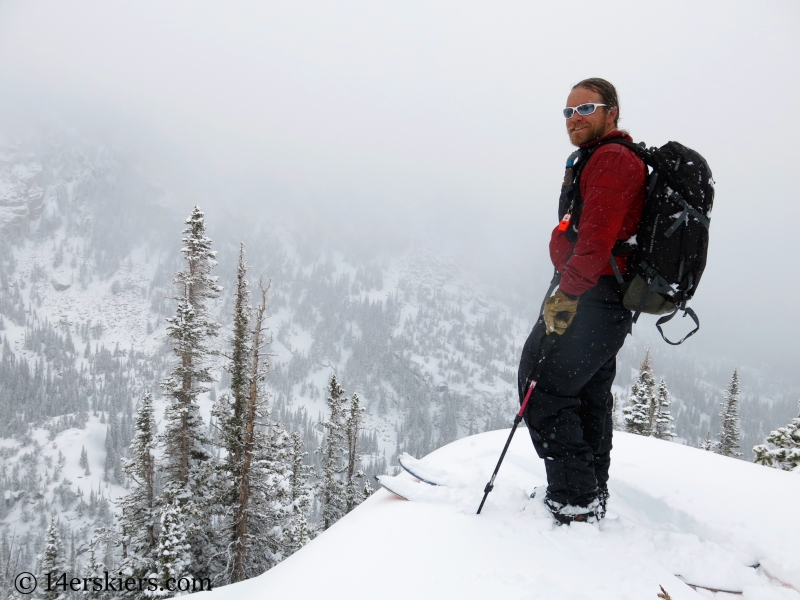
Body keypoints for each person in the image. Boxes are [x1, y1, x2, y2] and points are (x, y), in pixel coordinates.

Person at [518, 78, 646, 524]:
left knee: (544, 389)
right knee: (587, 394)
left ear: (612, 112)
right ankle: (588, 490)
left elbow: (595, 240)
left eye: (586, 108)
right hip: (603, 296)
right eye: (569, 111)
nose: (575, 118)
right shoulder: (599, 158)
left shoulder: (611, 159)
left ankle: (575, 500)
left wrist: (567, 295)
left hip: (591, 296)